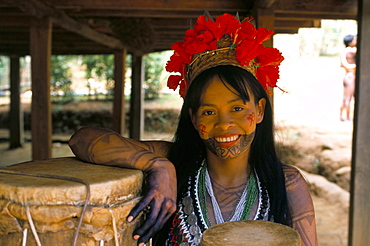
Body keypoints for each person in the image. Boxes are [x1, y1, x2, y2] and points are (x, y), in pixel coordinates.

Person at [69, 13, 317, 246]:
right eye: (209, 112)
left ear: (260, 110)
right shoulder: (173, 161)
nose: (224, 124)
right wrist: (159, 166)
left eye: (238, 109)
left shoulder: (287, 183)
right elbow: (83, 139)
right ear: (193, 117)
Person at [340, 34, 357, 121]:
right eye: (354, 40)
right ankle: (347, 117)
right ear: (350, 43)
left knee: (345, 97)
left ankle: (341, 116)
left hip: (347, 75)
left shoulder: (344, 51)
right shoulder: (351, 51)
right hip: (351, 76)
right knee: (348, 98)